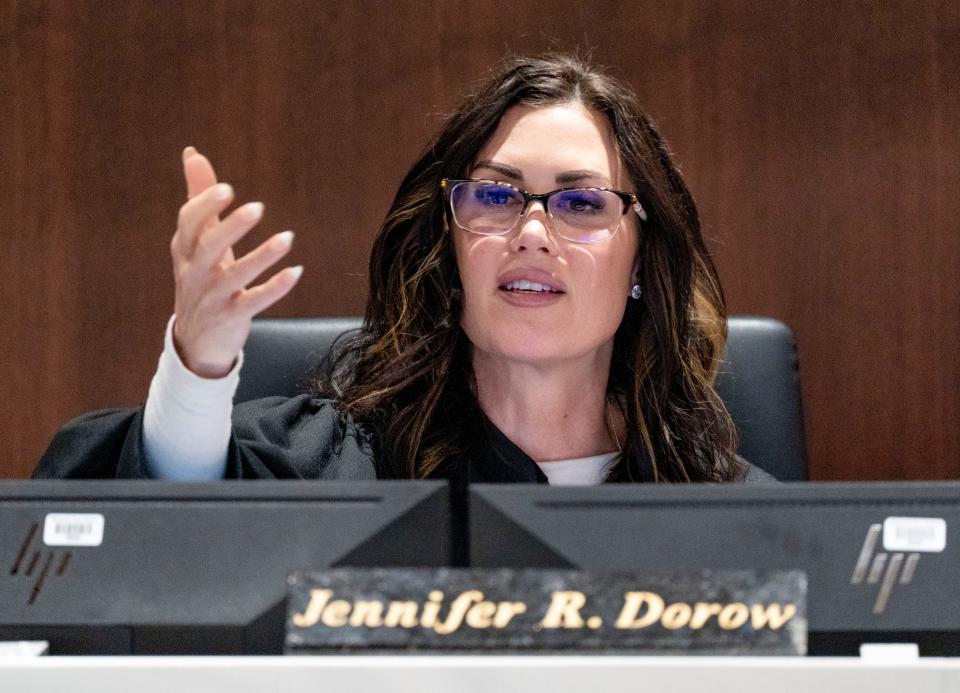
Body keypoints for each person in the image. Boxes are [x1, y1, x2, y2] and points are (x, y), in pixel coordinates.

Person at [34, 54, 774, 485]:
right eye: (494, 194)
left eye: (581, 202)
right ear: (447, 249)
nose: (533, 231)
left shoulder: (715, 507)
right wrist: (199, 362)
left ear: (643, 254)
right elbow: (166, 535)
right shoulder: (341, 466)